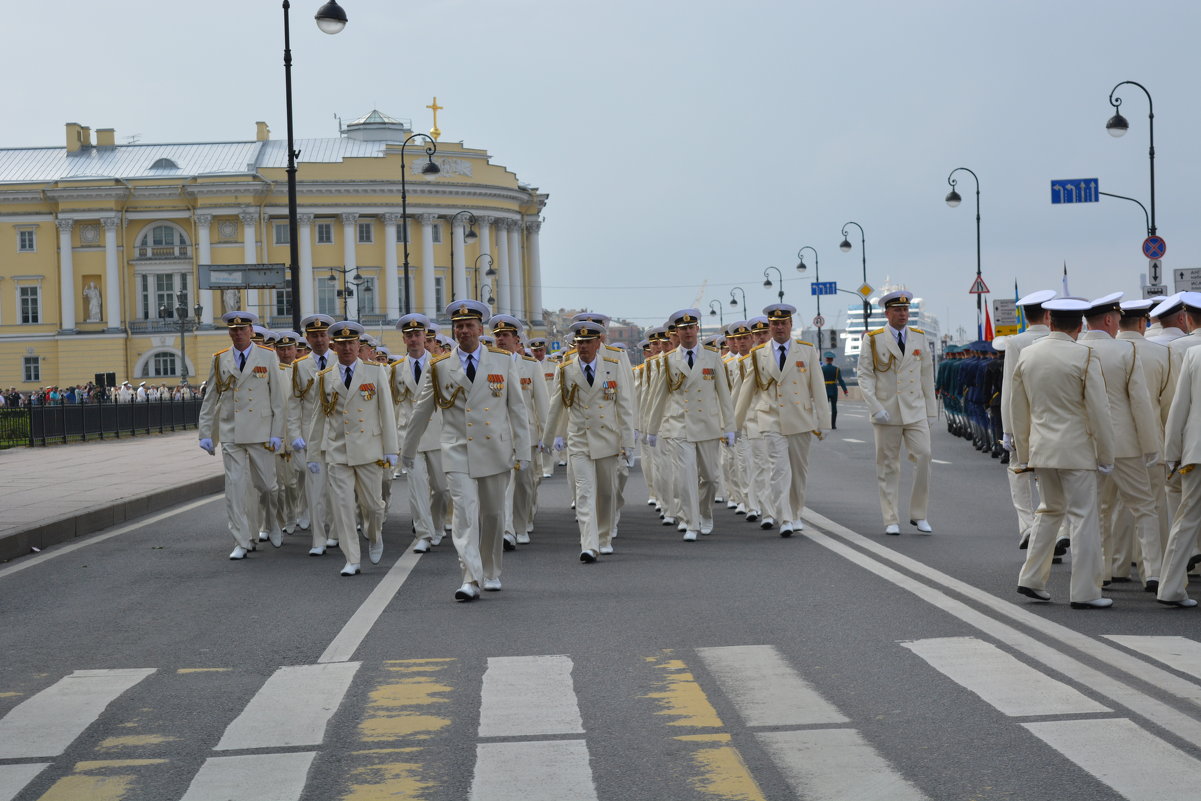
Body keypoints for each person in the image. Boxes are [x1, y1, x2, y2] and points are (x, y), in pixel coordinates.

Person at [402, 300, 531, 601]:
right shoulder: (439, 366)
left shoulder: (502, 361)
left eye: (469, 326)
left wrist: (523, 452)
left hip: (494, 449)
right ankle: (470, 577)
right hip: (457, 449)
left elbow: (517, 410)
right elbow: (421, 412)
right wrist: (407, 451)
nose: (463, 331)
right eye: (458, 326)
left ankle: (492, 571)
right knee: (464, 515)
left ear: (480, 329)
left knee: (493, 515)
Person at [1011, 298, 1115, 608]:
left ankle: (1030, 578)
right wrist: (1106, 455)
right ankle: (1085, 592)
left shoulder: (1028, 354)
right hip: (1076, 450)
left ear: (1051, 321)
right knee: (1083, 517)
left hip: (1042, 449)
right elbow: (1099, 410)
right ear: (1080, 325)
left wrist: (1024, 452)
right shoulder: (1084, 355)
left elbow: (1019, 409)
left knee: (1049, 510)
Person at [1079, 293, 1163, 590]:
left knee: (1099, 509)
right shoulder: (1126, 352)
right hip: (1125, 444)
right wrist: (1151, 446)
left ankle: (1102, 572)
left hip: (1089, 444)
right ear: (1110, 319)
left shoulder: (1076, 350)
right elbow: (1140, 403)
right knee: (1143, 507)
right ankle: (1153, 572)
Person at [307, 321, 398, 576]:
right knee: (343, 507)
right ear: (334, 347)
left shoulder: (375, 371)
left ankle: (375, 534)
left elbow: (386, 413)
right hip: (338, 450)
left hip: (369, 449)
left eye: (351, 343)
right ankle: (352, 558)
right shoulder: (325, 378)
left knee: (374, 506)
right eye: (342, 344)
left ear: (359, 345)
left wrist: (391, 448)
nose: (347, 348)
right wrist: (314, 454)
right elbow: (318, 418)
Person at [197, 311, 286, 560]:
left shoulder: (267, 357)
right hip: (231, 431)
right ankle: (241, 539)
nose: (237, 334)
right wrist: (205, 431)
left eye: (242, 330)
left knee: (268, 487)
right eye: (233, 330)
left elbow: (278, 399)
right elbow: (211, 397)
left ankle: (271, 522)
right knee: (235, 488)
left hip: (261, 431)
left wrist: (277, 432)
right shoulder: (220, 359)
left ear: (251, 331)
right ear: (229, 332)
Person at [734, 303, 829, 536]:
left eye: (783, 323)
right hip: (770, 418)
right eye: (774, 324)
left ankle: (796, 512)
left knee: (798, 471)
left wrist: (823, 421)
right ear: (770, 326)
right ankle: (784, 517)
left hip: (800, 418)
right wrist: (733, 426)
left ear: (790, 325)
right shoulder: (758, 354)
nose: (779, 328)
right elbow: (746, 391)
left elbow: (818, 388)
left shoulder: (806, 351)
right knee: (778, 469)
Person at [545, 320, 636, 561]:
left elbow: (624, 407)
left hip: (607, 438)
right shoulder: (565, 369)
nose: (583, 347)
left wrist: (629, 443)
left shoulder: (613, 366)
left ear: (599, 343)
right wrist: (549, 438)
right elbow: (556, 406)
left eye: (587, 342)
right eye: (579, 343)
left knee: (606, 493)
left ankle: (604, 537)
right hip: (579, 439)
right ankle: (589, 544)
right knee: (584, 493)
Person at [644, 308, 735, 541]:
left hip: (707, 425)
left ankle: (705, 513)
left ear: (697, 329)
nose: (687, 333)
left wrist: (729, 426)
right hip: (679, 426)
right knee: (685, 478)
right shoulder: (667, 361)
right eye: (682, 329)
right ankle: (691, 522)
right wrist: (652, 430)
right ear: (677, 332)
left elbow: (724, 395)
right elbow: (658, 396)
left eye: (690, 328)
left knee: (711, 478)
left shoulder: (713, 357)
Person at [856, 290, 937, 535]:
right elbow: (865, 375)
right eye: (898, 310)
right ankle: (891, 517)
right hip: (887, 412)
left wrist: (931, 410)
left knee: (924, 456)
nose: (903, 314)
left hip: (915, 410)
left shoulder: (919, 337)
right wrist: (875, 407)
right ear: (887, 313)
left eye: (905, 310)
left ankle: (919, 514)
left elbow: (926, 375)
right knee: (888, 465)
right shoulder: (873, 339)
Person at [999, 290, 1057, 549]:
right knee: (1050, 476)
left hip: (1024, 419)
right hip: (1055, 419)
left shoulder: (1015, 342)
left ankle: (1028, 525)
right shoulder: (1059, 339)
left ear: (1025, 316)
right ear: (1048, 315)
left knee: (1019, 473)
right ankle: (1053, 530)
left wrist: (1008, 429)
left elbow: (1010, 389)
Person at [391, 313, 450, 553]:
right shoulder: (395, 370)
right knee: (416, 488)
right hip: (410, 437)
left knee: (442, 488)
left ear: (425, 337)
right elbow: (393, 405)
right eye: (409, 336)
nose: (414, 339)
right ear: (404, 339)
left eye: (418, 334)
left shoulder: (440, 364)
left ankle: (437, 525)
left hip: (437, 434)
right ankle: (423, 533)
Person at [492, 315, 549, 547]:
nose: (500, 340)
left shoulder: (531, 366)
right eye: (497, 336)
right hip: (499, 434)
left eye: (505, 336)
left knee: (525, 483)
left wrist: (546, 434)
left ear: (517, 340)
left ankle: (522, 523)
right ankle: (508, 529)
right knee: (505, 484)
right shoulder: (490, 364)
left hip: (527, 433)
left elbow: (542, 404)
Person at [292, 314, 337, 555]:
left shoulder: (341, 360)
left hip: (339, 437)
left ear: (329, 337)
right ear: (307, 339)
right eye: (314, 336)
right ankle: (318, 539)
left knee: (337, 491)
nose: (319, 340)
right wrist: (294, 434)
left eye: (322, 335)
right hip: (312, 437)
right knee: (315, 491)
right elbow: (293, 404)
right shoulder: (299, 367)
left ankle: (336, 532)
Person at [821, 351, 848, 429]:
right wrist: (845, 390)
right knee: (834, 408)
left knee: (824, 408)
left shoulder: (822, 369)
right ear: (832, 360)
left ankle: (825, 424)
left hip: (825, 389)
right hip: (834, 389)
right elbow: (841, 380)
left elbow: (818, 380)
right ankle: (833, 425)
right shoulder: (836, 369)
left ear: (826, 359)